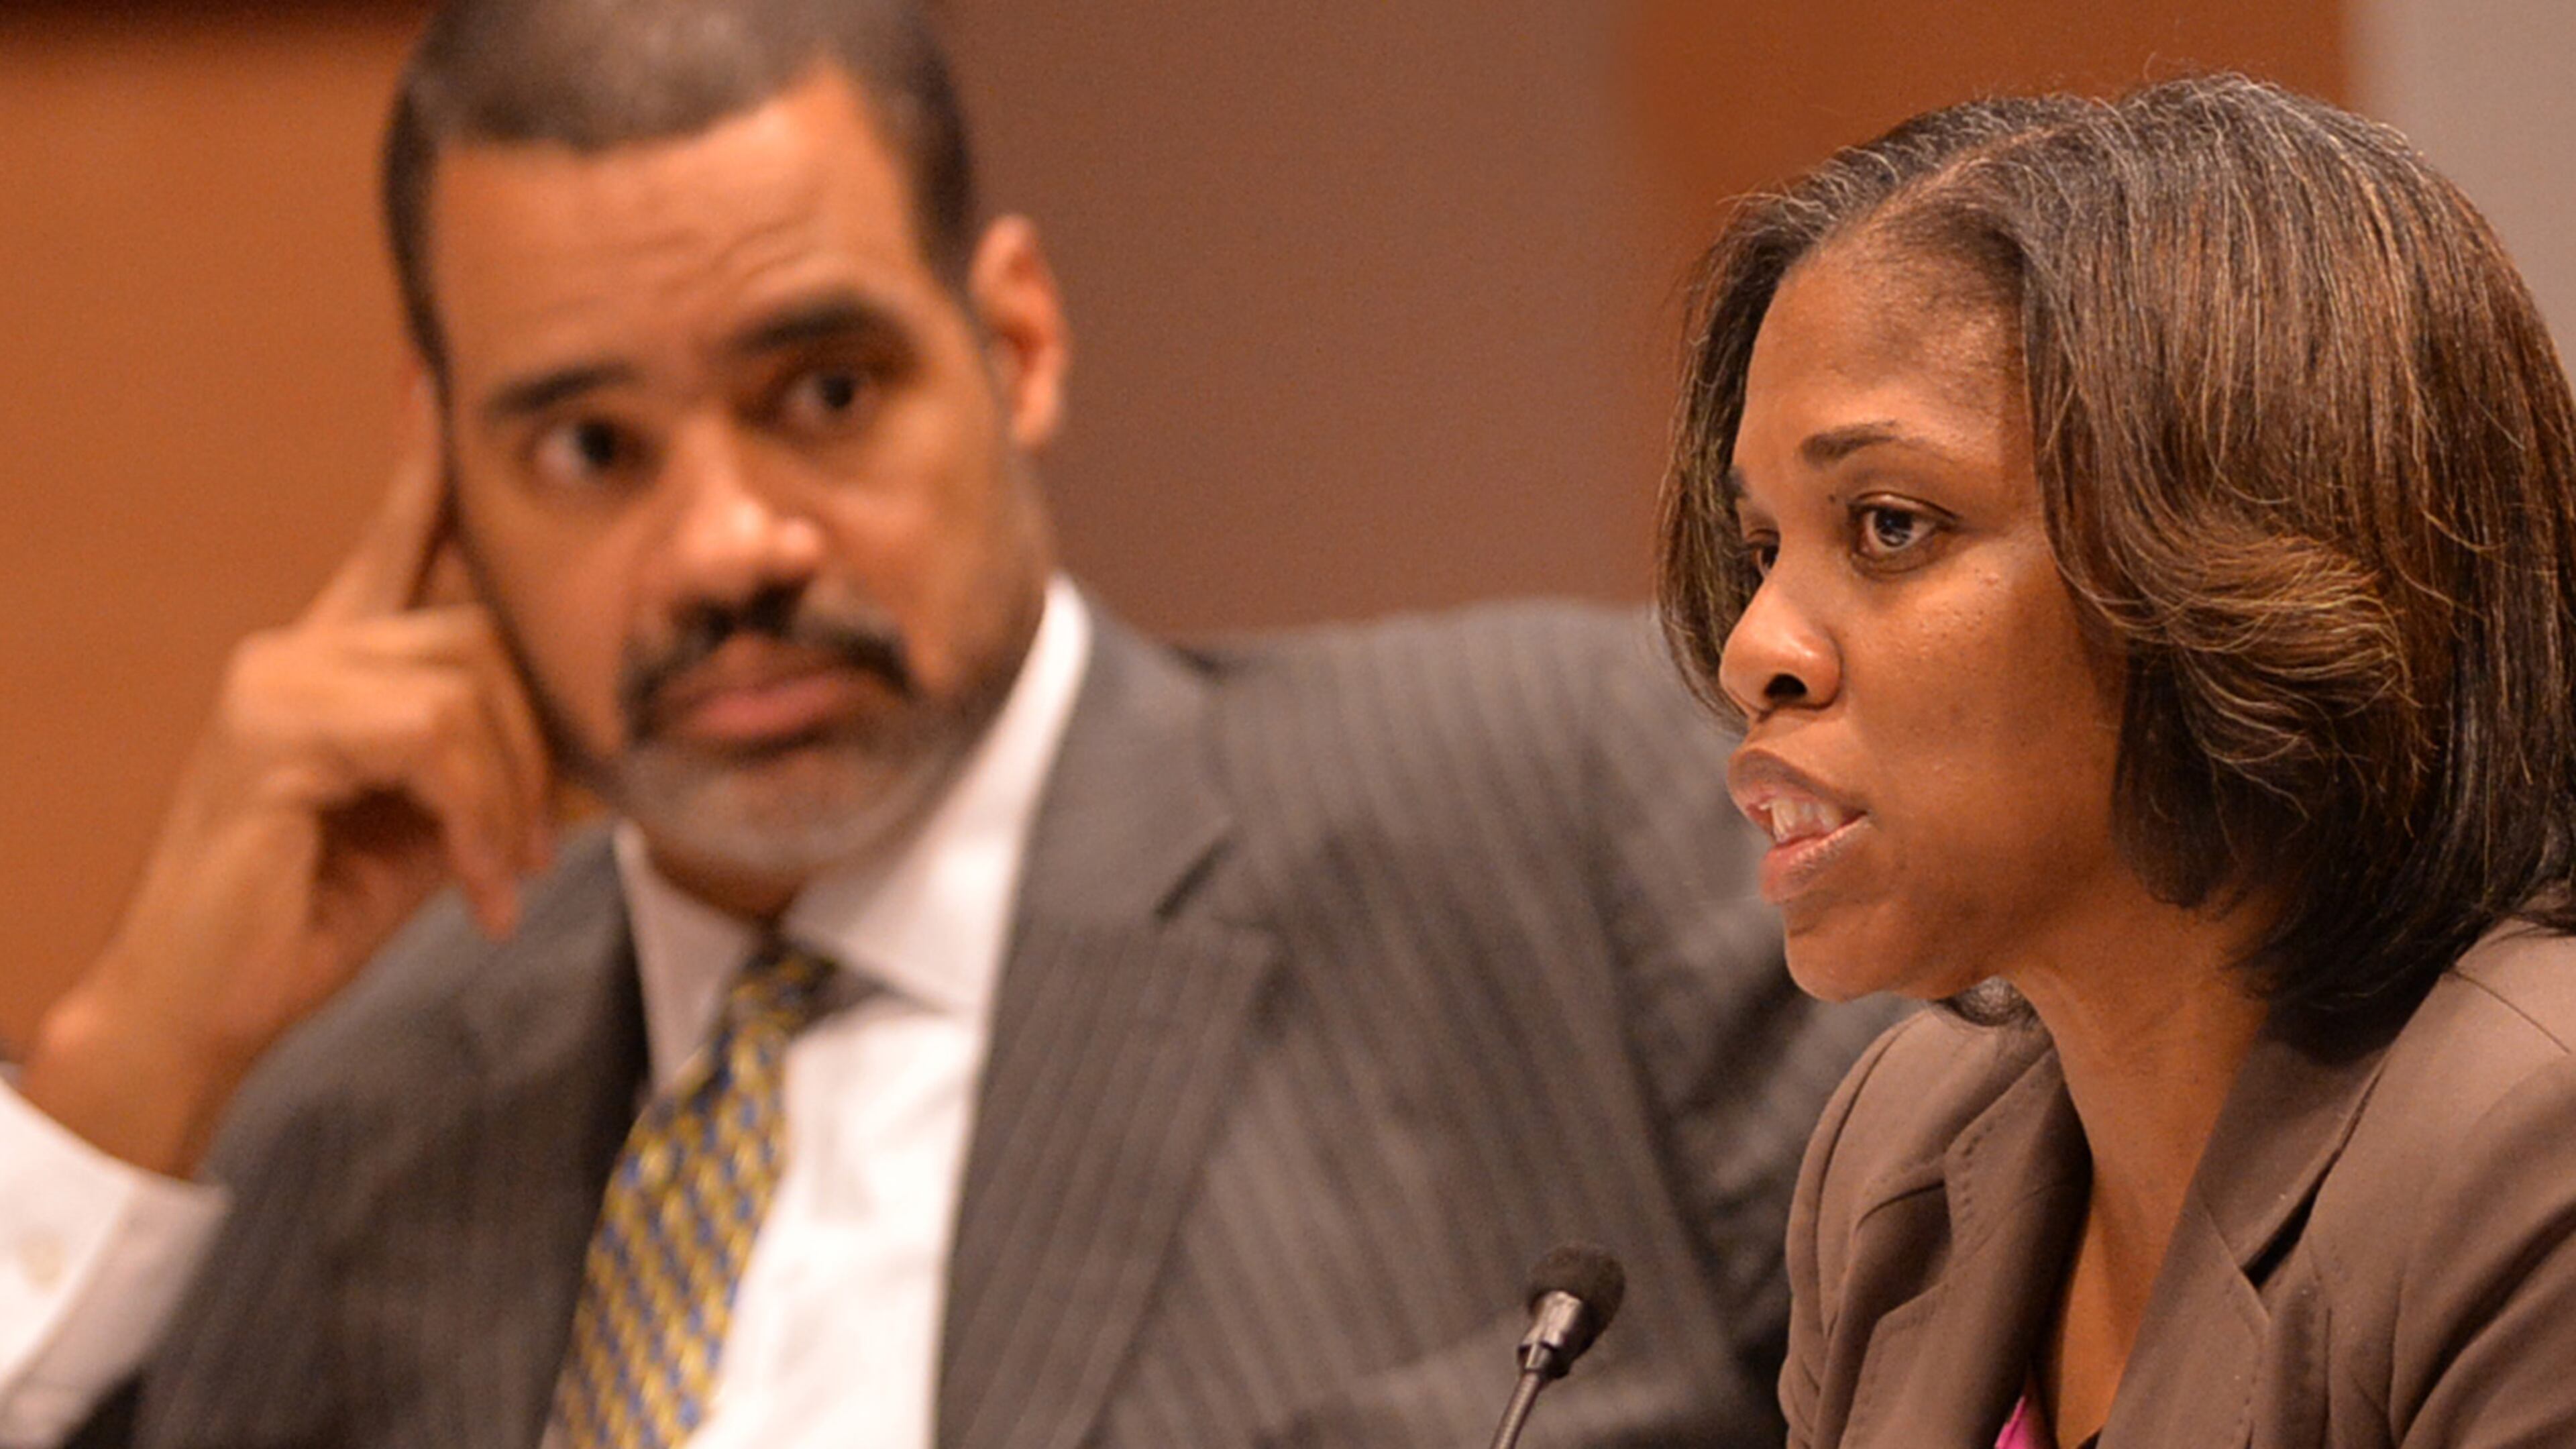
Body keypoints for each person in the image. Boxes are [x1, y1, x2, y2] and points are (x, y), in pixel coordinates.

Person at [0, 2, 1890, 1446]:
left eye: (822, 388)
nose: (728, 543)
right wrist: (125, 1064)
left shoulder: (1551, 810)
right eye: (587, 448)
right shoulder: (346, 1116)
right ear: (444, 472)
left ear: (1017, 343)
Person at [1657, 73, 2576, 1448]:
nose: (1755, 651)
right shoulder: (1897, 1155)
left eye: (1891, 524)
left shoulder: (2531, 1156)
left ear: (2247, 553)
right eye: (1760, 549)